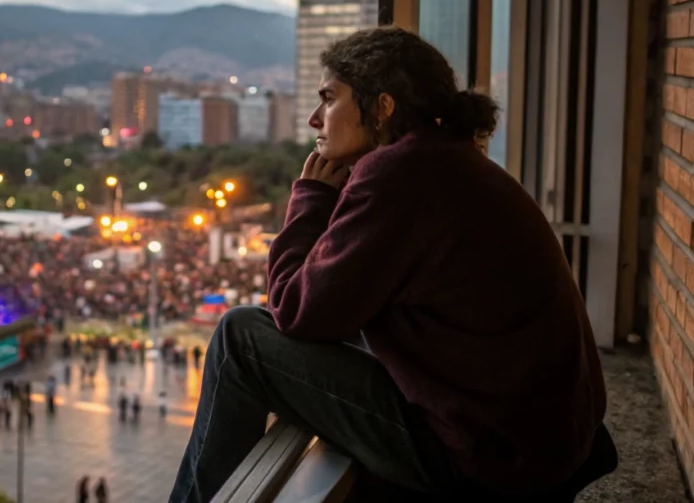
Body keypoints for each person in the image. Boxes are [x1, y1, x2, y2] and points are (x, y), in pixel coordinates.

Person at [167, 27, 607, 502]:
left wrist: (311, 196)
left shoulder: (401, 172)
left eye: (329, 99)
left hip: (490, 458)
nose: (315, 119)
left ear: (382, 107)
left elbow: (296, 311)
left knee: (240, 339)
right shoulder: (447, 161)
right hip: (538, 444)